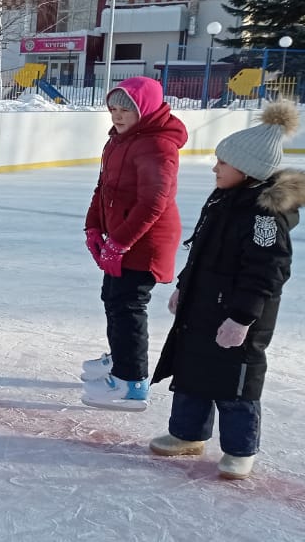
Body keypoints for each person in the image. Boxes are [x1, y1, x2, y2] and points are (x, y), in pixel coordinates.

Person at [148, 103, 305, 480]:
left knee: (235, 381)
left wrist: (242, 318)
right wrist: (184, 286)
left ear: (247, 169)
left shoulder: (264, 216)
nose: (215, 168)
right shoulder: (223, 198)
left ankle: (240, 449)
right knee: (192, 367)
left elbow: (268, 271)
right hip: (202, 304)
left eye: (222, 163)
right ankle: (188, 433)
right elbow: (201, 249)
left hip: (239, 314)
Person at [80, 76, 188, 411]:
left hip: (146, 241)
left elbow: (153, 203)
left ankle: (132, 382)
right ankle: (120, 358)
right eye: (113, 108)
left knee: (128, 305)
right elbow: (103, 189)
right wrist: (93, 227)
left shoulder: (158, 145)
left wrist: (120, 243)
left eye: (126, 109)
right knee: (113, 298)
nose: (117, 115)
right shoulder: (118, 141)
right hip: (124, 236)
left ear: (145, 109)